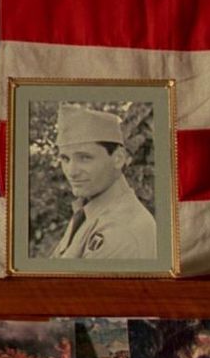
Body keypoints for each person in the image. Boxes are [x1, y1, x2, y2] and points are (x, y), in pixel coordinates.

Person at [50, 105, 156, 259]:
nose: (71, 171)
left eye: (84, 158)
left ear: (118, 159)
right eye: (65, 159)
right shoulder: (90, 212)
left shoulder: (120, 231)